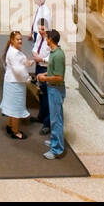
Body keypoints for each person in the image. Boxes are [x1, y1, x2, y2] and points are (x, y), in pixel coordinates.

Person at [39, 29, 66, 159]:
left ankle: (56, 149)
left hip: (56, 89)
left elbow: (59, 77)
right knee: (55, 118)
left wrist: (45, 79)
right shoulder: (54, 52)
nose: (46, 38)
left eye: (47, 37)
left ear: (51, 39)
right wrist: (44, 74)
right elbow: (52, 71)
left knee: (56, 120)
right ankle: (55, 140)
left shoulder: (58, 55)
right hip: (52, 88)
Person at [0, 30, 32, 139]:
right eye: (17, 39)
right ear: (12, 41)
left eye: (20, 39)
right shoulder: (13, 53)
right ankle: (15, 131)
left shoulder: (14, 50)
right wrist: (28, 78)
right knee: (16, 108)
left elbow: (20, 62)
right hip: (15, 83)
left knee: (11, 107)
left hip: (11, 81)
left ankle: (10, 126)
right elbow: (18, 70)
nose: (20, 41)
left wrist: (26, 62)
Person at [32, 16, 53, 132]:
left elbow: (52, 57)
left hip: (46, 69)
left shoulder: (51, 39)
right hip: (38, 67)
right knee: (40, 93)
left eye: (43, 30)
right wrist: (35, 55)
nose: (40, 31)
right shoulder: (40, 37)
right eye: (39, 29)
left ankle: (47, 123)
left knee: (47, 96)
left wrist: (43, 59)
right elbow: (35, 48)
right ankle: (41, 116)